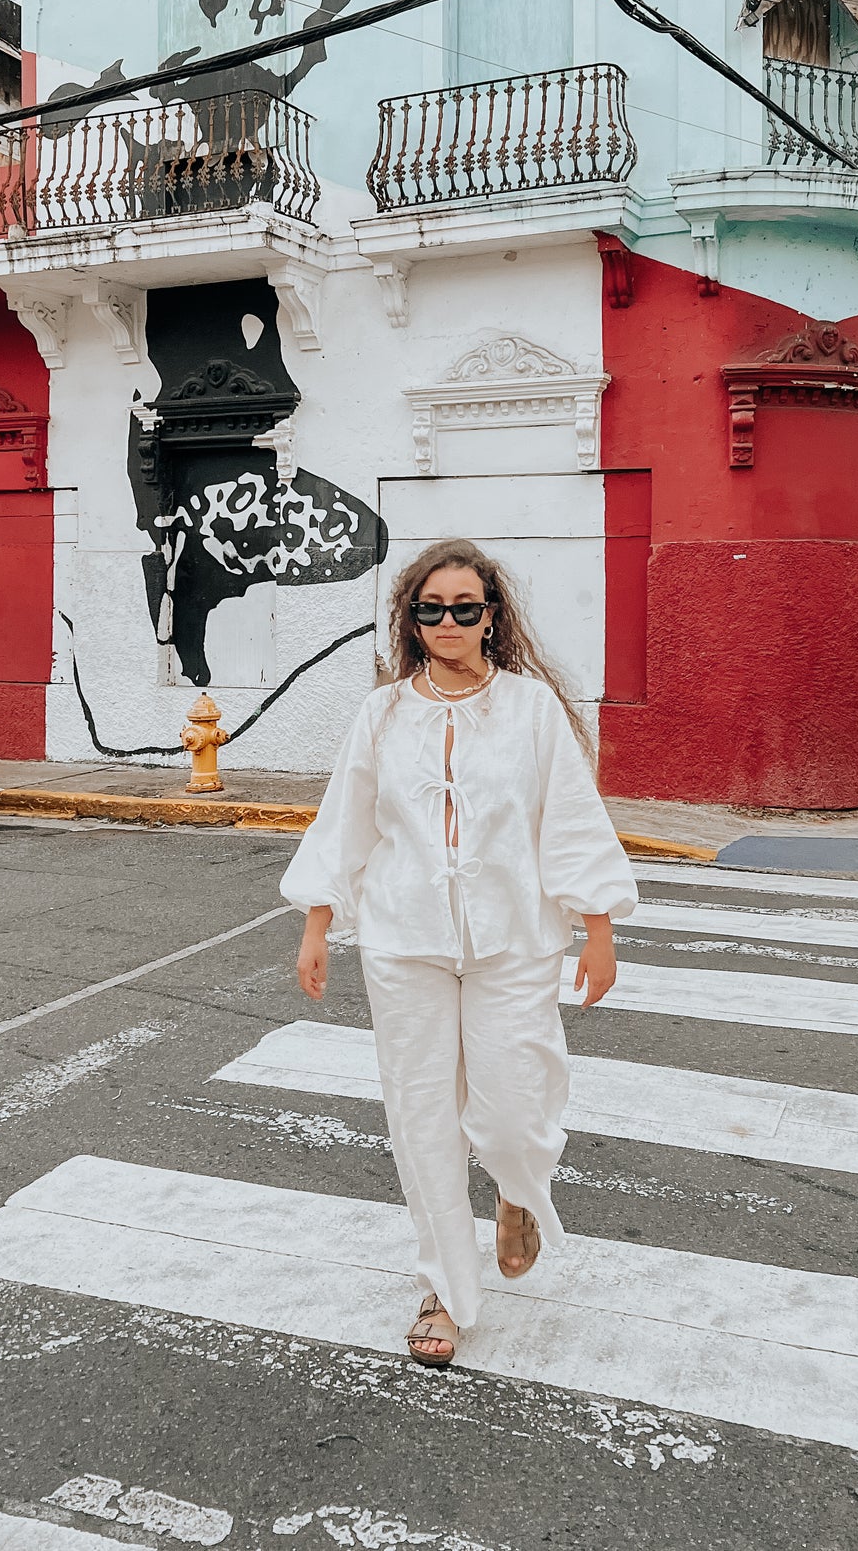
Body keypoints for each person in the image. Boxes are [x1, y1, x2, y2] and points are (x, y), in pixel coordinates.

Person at [283, 538, 637, 1369]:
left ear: (490, 616)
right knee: (420, 1116)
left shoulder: (529, 708)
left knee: (514, 1106)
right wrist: (316, 920)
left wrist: (598, 925)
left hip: (511, 936)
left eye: (464, 607)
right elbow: (348, 818)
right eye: (430, 608)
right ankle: (444, 1286)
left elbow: (570, 817)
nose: (447, 621)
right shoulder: (382, 712)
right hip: (404, 938)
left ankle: (517, 1189)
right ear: (411, 619)